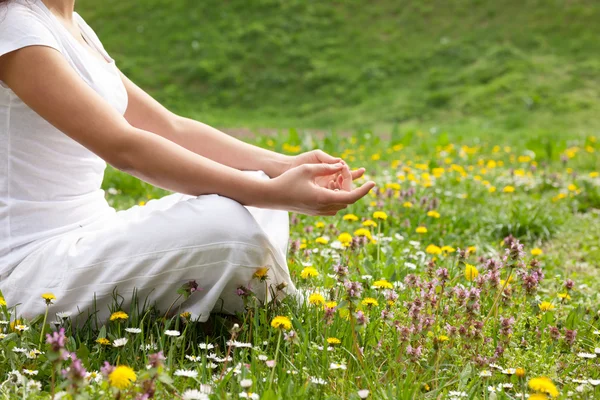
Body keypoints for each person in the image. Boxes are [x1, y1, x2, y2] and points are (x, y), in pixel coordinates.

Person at [0, 0, 375, 323]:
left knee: (249, 183)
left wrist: (282, 166)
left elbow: (171, 128)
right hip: (32, 271)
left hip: (93, 233)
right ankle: (273, 300)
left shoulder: (73, 25)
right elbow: (124, 147)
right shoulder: (18, 29)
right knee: (226, 226)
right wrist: (271, 193)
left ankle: (244, 293)